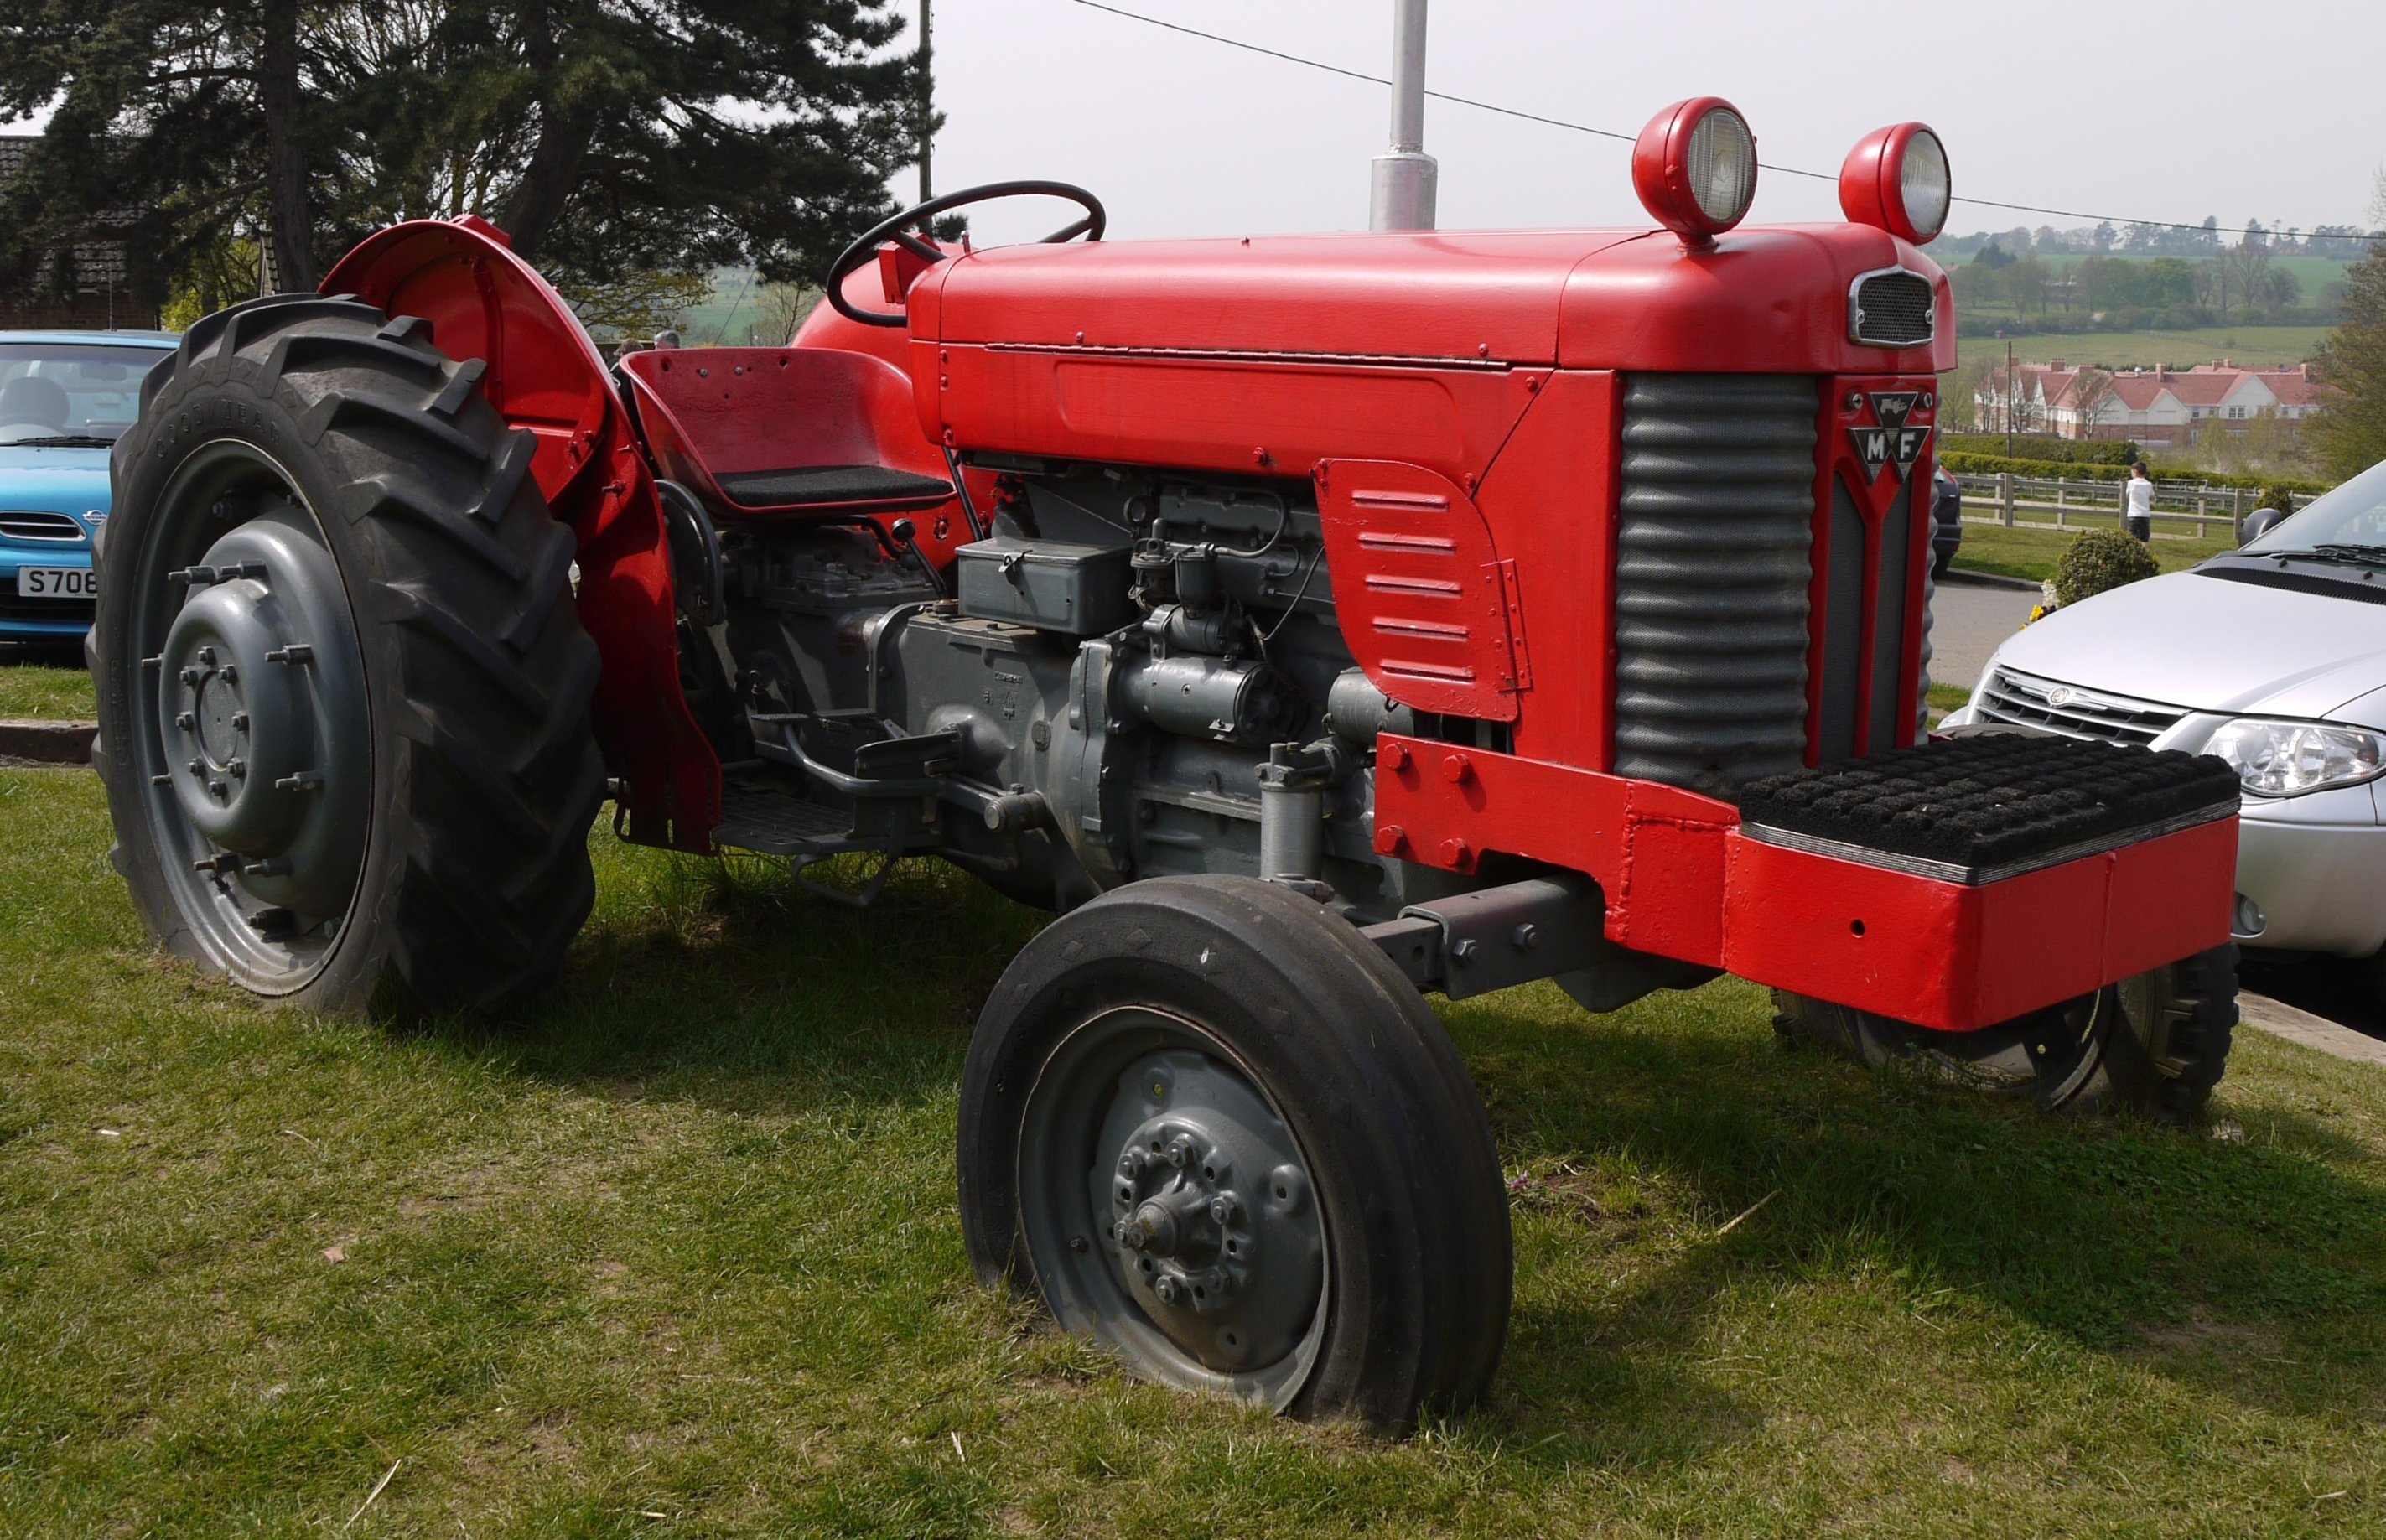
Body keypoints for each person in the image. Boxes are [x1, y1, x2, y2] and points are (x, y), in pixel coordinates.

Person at [2124, 463, 2154, 542]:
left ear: (2135, 471)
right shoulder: (2149, 484)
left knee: (2132, 538)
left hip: (2133, 513)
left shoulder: (2131, 483)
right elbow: (2152, 497)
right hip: (2145, 514)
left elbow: (2127, 495)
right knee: (2144, 539)